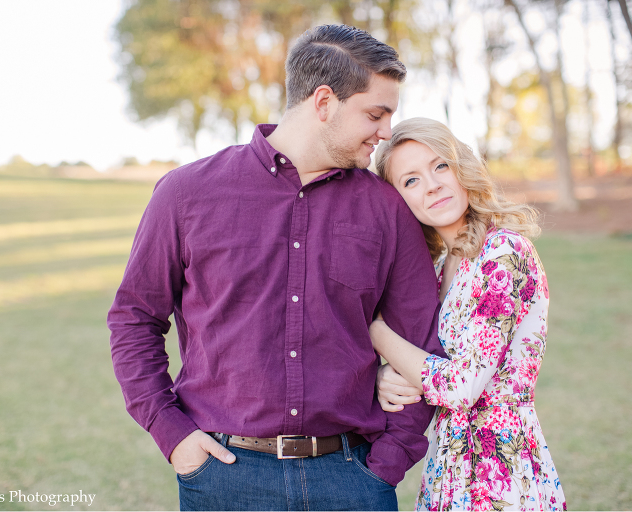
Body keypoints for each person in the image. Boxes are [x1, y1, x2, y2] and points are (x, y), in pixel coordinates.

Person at [107, 25, 447, 511]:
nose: (386, 131)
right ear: (324, 102)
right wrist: (172, 433)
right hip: (224, 477)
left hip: (352, 478)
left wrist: (387, 464)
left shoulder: (387, 209)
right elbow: (134, 319)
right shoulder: (185, 194)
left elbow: (424, 337)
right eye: (376, 114)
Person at [370, 117, 567, 511]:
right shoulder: (437, 270)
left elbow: (462, 386)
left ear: (462, 169)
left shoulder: (504, 252)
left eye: (440, 165)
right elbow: (429, 364)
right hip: (448, 466)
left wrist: (377, 333)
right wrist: (386, 375)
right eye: (411, 180)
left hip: (501, 469)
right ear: (398, 201)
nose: (432, 185)